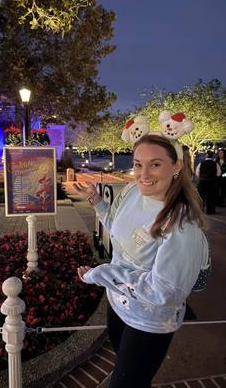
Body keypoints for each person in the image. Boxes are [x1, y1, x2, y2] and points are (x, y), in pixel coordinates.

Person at [74, 113, 209, 388]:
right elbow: (120, 230)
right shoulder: (135, 192)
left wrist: (103, 274)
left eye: (155, 164)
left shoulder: (182, 226)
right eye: (138, 165)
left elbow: (164, 292)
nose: (143, 175)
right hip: (118, 305)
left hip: (149, 320)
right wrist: (97, 201)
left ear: (177, 167)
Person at [195, 150, 221, 214]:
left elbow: (197, 172)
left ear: (206, 155)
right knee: (211, 197)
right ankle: (210, 211)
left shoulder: (201, 163)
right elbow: (219, 173)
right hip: (212, 183)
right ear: (212, 156)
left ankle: (200, 210)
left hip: (202, 182)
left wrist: (201, 178)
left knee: (201, 197)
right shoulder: (215, 164)